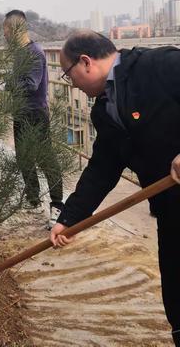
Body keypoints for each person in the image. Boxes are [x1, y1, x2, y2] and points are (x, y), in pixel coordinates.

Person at [50, 30, 180, 346]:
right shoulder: (104, 110)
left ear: (85, 63)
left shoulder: (157, 65)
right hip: (171, 210)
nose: (73, 85)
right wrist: (70, 217)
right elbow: (102, 170)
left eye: (69, 75)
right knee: (176, 295)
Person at [3, 10, 64, 229]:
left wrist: (7, 83)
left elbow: (31, 84)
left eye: (6, 30)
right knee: (24, 158)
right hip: (21, 113)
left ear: (16, 29)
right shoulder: (19, 53)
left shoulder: (34, 52)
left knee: (46, 159)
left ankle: (57, 205)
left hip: (35, 113)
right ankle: (33, 199)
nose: (5, 35)